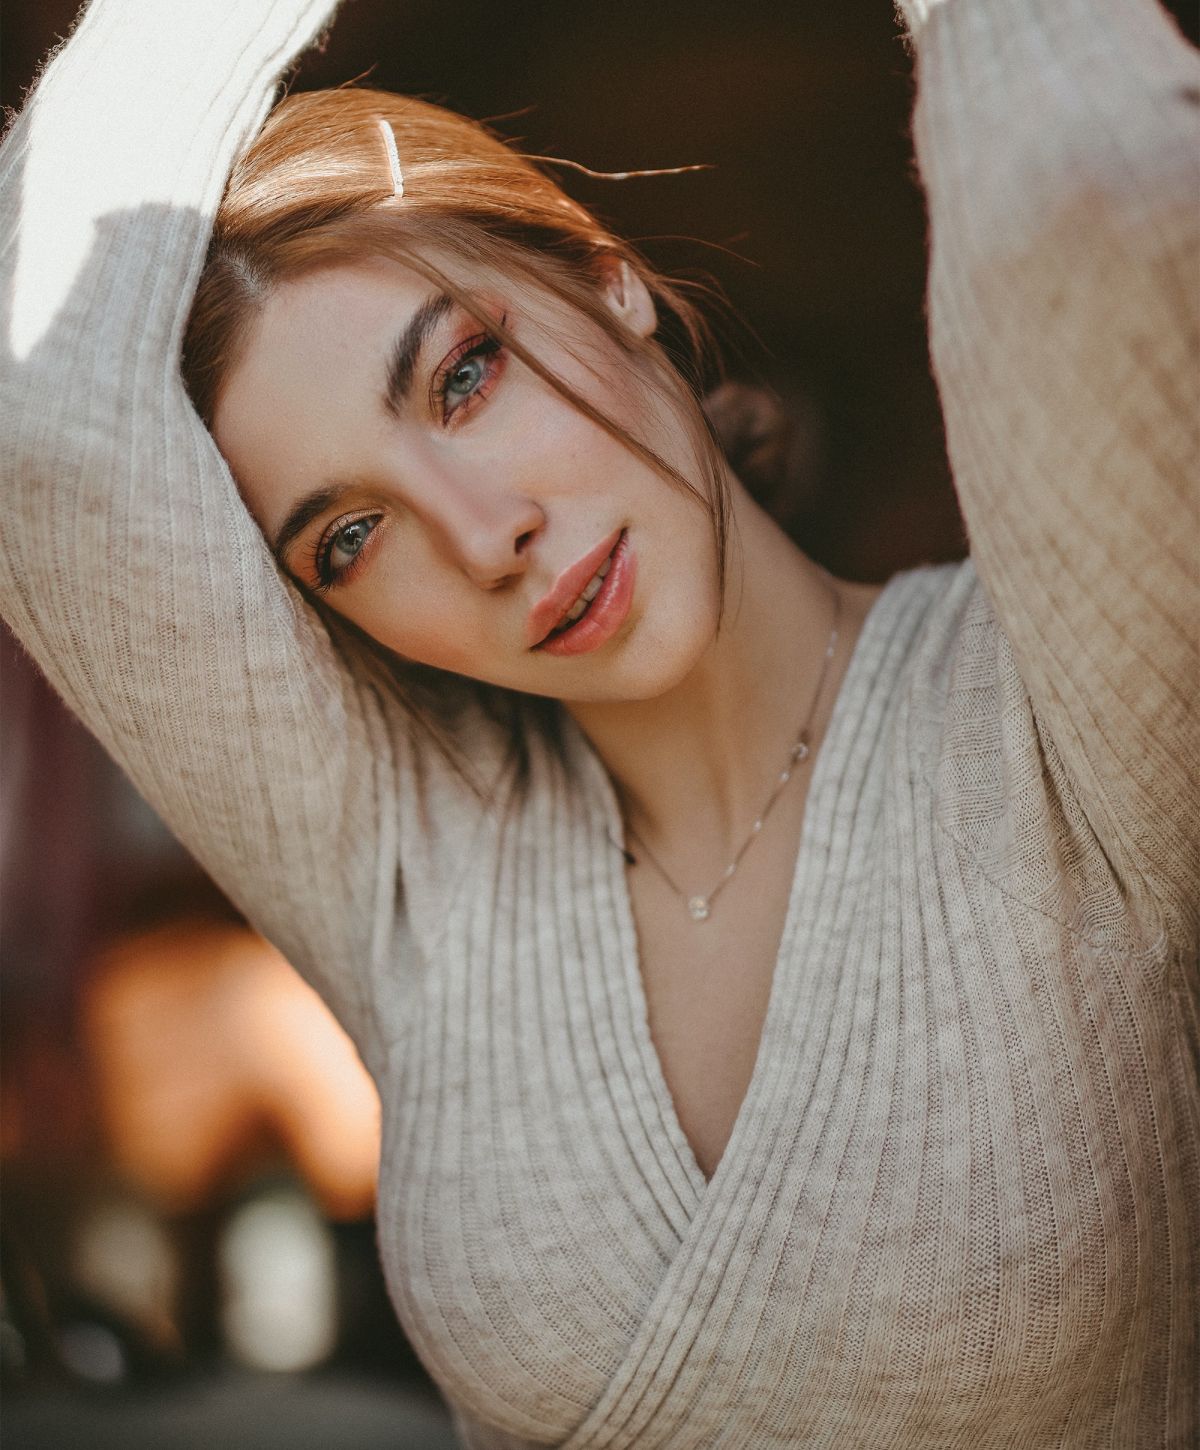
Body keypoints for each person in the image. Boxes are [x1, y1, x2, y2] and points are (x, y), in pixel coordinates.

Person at [1, 0, 1196, 1444]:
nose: (481, 534)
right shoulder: (413, 862)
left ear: (607, 279)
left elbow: (1085, 182)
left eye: (463, 375)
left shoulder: (1066, 706)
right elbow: (41, 419)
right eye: (352, 537)